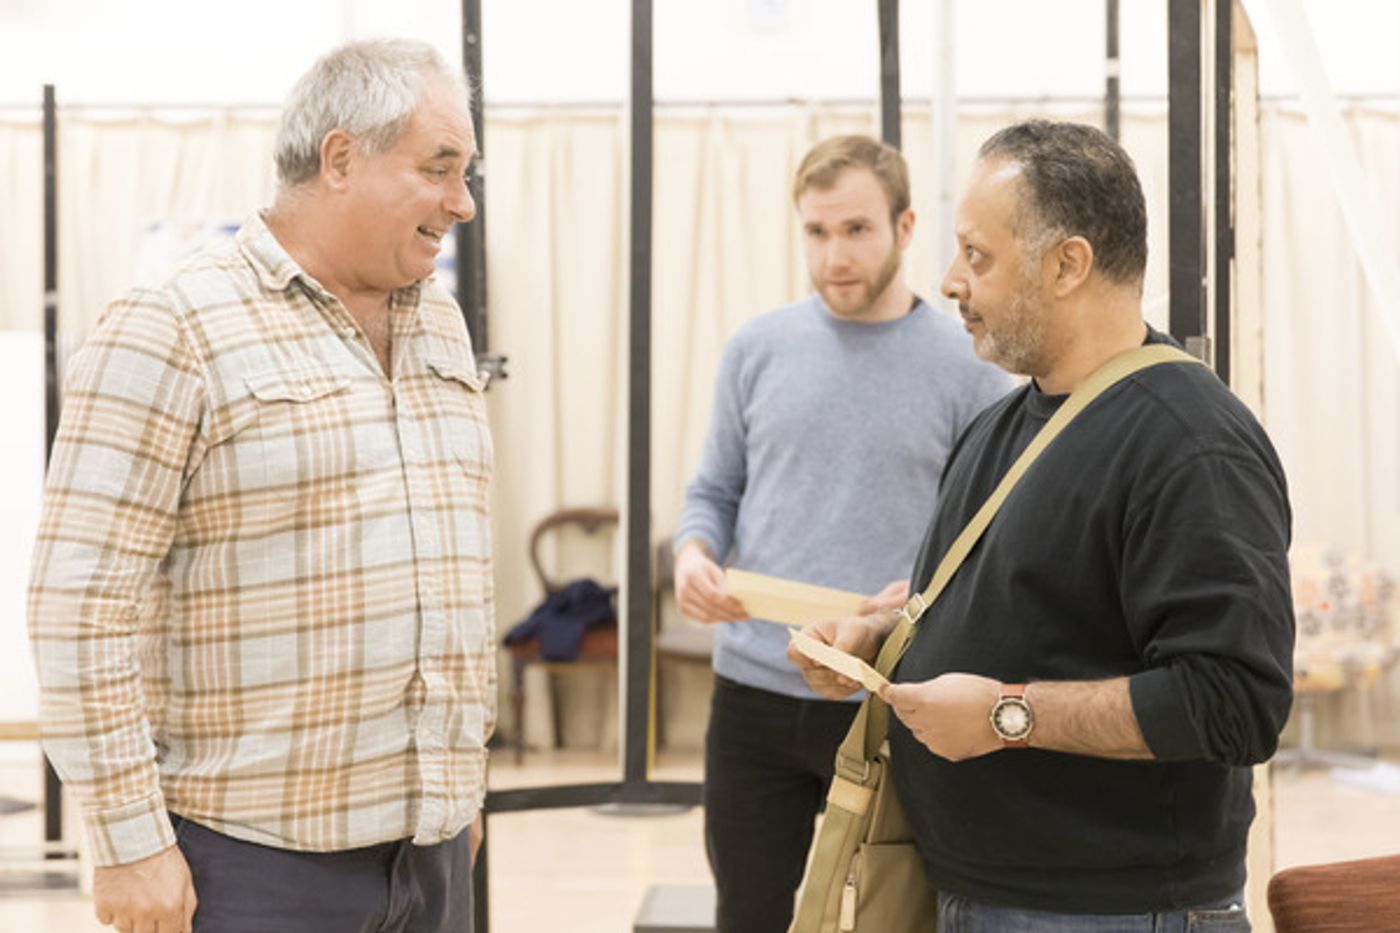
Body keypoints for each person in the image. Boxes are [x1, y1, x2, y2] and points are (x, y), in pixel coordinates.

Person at [29, 39, 492, 933]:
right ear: (341, 156)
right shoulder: (169, 327)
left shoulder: (437, 319)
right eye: (440, 169)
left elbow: (455, 561)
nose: (462, 203)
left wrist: (461, 785)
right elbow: (79, 607)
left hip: (433, 852)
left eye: (466, 173)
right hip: (248, 865)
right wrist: (129, 840)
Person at [790, 120, 1295, 931]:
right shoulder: (1007, 424)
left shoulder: (1191, 443)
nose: (951, 280)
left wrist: (1004, 715)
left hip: (1115, 912)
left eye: (979, 256)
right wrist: (877, 633)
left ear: (1068, 264)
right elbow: (1023, 608)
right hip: (976, 892)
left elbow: (1235, 701)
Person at [674, 134, 1013, 933]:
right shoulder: (756, 348)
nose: (835, 255)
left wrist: (924, 601)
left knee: (888, 916)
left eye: (856, 229)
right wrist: (694, 553)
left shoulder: (967, 369)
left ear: (903, 228)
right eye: (817, 233)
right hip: (752, 691)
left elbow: (986, 543)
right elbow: (712, 492)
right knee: (748, 913)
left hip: (884, 692)